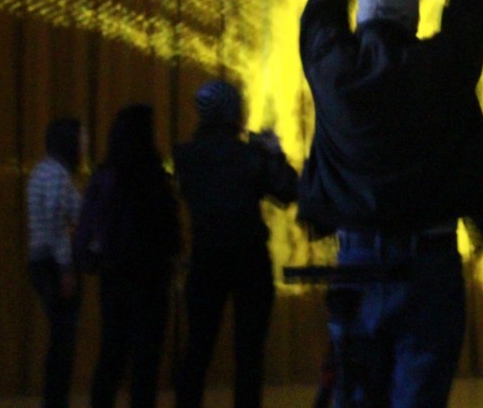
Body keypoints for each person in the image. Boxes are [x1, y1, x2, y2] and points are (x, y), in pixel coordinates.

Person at [297, 0, 483, 407]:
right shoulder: (442, 70)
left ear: (361, 17)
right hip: (429, 267)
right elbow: (474, 4)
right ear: (414, 20)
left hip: (356, 263)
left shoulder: (335, 74)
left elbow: (321, 4)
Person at [173, 80, 298, 408]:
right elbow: (288, 191)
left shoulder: (185, 156)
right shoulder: (249, 155)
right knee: (249, 353)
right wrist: (274, 154)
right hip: (250, 261)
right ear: (232, 111)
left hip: (205, 260)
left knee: (197, 350)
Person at [75, 104, 181, 408]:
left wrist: (87, 258)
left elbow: (88, 222)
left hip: (114, 272)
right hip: (152, 274)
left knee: (112, 350)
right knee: (146, 357)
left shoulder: (105, 174)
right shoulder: (155, 175)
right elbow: (169, 228)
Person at [26, 117, 85, 408]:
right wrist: (66, 268)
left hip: (41, 262)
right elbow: (58, 222)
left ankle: (54, 400)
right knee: (63, 341)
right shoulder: (58, 174)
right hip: (53, 264)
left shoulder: (41, 171)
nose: (85, 143)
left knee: (60, 338)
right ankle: (55, 402)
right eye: (81, 137)